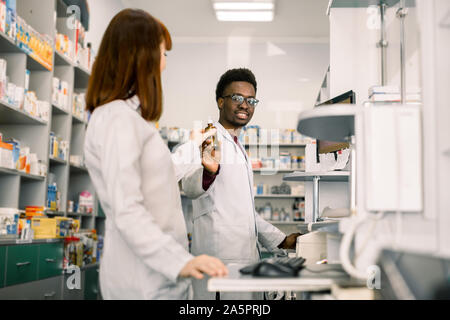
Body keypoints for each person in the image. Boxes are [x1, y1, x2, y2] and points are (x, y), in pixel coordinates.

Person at [83, 9, 228, 300]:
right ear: (141, 57)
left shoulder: (129, 119)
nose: (163, 65)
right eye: (163, 54)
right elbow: (127, 210)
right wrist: (181, 262)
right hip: (141, 281)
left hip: (158, 277)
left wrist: (194, 148)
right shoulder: (116, 119)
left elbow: (157, 178)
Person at [180, 68, 301, 300]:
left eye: (251, 100)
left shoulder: (237, 146)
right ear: (220, 102)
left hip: (242, 263)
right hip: (220, 264)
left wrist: (281, 240)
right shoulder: (209, 137)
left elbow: (245, 213)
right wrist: (208, 172)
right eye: (237, 98)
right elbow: (189, 186)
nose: (245, 105)